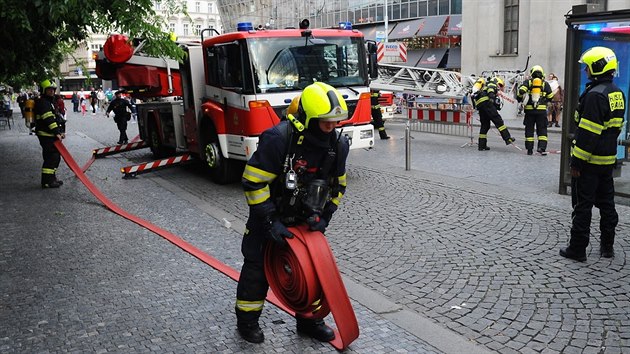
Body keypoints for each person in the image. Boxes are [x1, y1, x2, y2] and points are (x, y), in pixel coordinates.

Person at [235, 82, 350, 344]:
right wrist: (269, 221)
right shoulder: (279, 139)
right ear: (308, 119)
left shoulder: (338, 145)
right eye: (325, 122)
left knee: (310, 271)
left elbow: (339, 186)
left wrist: (324, 216)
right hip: (269, 216)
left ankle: (309, 321)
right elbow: (253, 181)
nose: (332, 128)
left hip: (304, 220)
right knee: (257, 268)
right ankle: (247, 321)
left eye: (335, 122)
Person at [560, 46, 625, 262]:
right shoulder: (616, 93)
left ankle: (577, 249)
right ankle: (608, 247)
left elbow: (588, 134)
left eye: (587, 67)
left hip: (588, 163)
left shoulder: (595, 96)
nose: (585, 71)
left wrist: (576, 162)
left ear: (598, 67)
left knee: (583, 206)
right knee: (607, 205)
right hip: (607, 161)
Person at [34, 79, 65, 188]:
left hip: (50, 134)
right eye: (49, 90)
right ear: (43, 90)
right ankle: (47, 182)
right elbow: (48, 119)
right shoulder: (43, 102)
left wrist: (61, 131)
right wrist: (57, 132)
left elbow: (56, 118)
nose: (52, 92)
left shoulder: (50, 102)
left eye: (53, 89)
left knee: (54, 157)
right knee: (51, 158)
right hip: (46, 134)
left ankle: (51, 178)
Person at [517, 65, 554, 155]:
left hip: (529, 111)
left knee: (529, 130)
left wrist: (523, 95)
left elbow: (520, 93)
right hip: (541, 112)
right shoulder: (545, 84)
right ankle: (541, 148)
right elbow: (550, 97)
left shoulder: (528, 82)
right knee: (542, 130)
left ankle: (529, 150)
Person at [472, 76, 516, 151]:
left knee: (485, 126)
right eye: (500, 85)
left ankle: (482, 146)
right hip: (487, 104)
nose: (500, 87)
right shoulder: (492, 83)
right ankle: (508, 138)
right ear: (498, 82)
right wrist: (492, 98)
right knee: (498, 121)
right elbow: (491, 90)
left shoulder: (484, 88)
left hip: (481, 106)